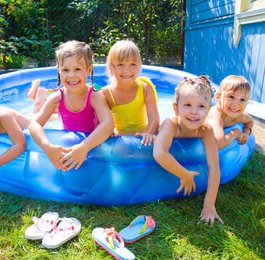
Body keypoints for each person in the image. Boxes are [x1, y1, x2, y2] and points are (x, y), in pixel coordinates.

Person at [29, 40, 114, 171]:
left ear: (89, 69)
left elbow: (108, 124)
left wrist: (84, 147)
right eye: (66, 70)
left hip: (91, 145)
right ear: (58, 70)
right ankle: (38, 99)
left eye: (77, 69)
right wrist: (47, 147)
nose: (71, 76)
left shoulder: (94, 97)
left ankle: (38, 98)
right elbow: (34, 124)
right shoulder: (57, 98)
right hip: (70, 139)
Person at [153, 76, 223, 225]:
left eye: (201, 107)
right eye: (188, 105)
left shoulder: (206, 130)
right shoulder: (170, 123)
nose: (194, 112)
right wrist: (184, 174)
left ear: (209, 110)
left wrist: (209, 205)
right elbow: (159, 153)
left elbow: (214, 167)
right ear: (175, 108)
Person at [100, 40, 159, 146]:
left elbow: (154, 118)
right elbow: (100, 122)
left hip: (142, 135)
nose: (127, 70)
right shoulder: (106, 94)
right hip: (119, 139)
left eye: (133, 64)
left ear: (139, 67)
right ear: (111, 67)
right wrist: (109, 132)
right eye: (120, 64)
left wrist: (148, 133)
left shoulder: (145, 88)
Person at [206, 75, 254, 149]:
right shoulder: (215, 116)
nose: (236, 104)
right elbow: (217, 144)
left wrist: (246, 132)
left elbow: (250, 121)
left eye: (242, 100)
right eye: (231, 97)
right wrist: (235, 133)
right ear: (218, 97)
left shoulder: (239, 116)